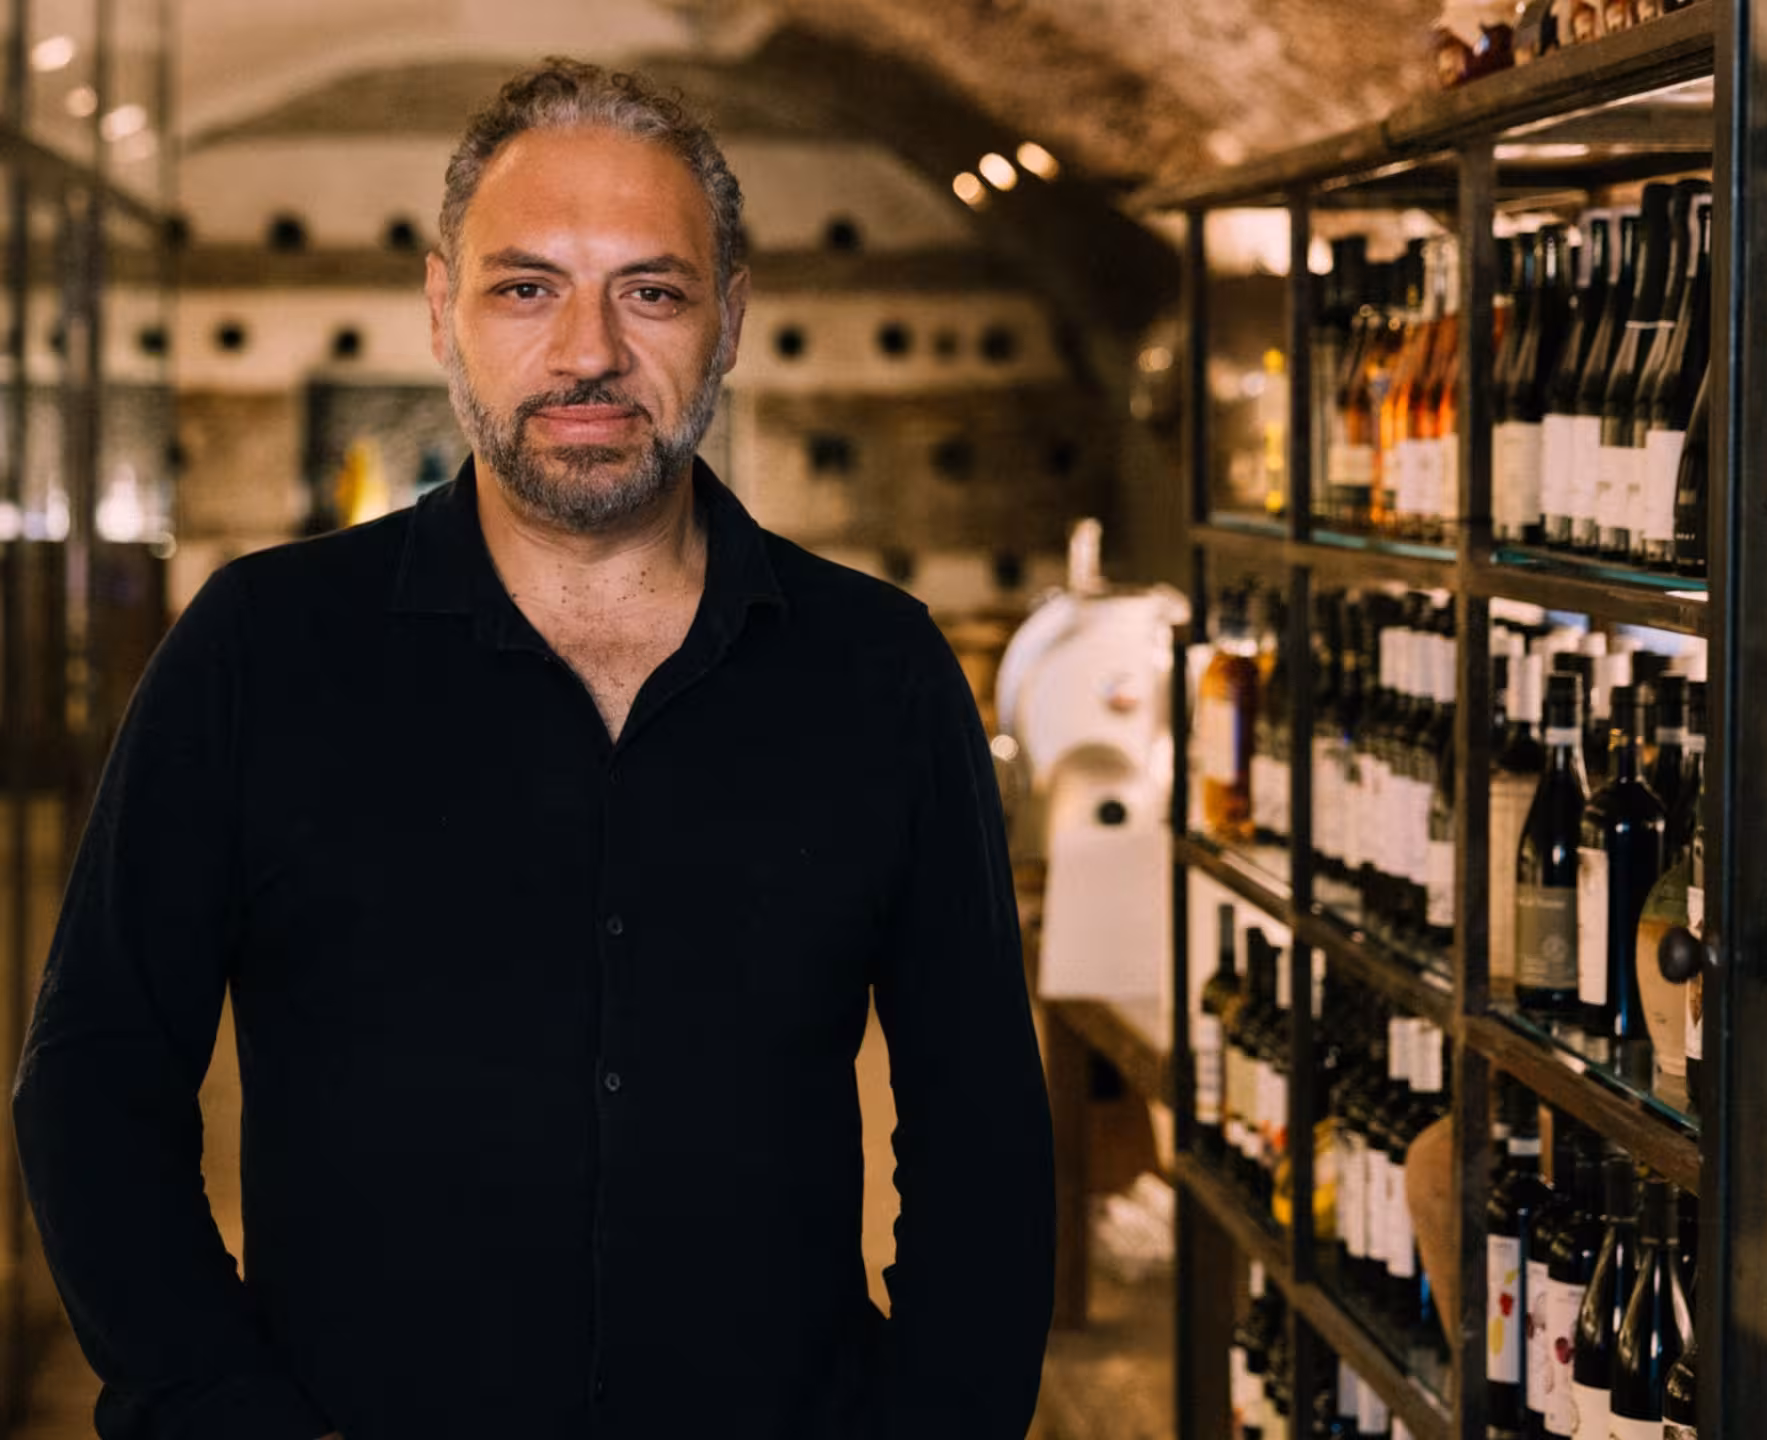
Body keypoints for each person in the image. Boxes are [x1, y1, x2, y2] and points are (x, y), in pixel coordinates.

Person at [13, 59, 1055, 1440]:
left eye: (653, 289)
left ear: (730, 318)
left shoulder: (882, 672)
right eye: (526, 287)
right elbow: (94, 1081)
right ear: (443, 310)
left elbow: (980, 1123)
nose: (587, 353)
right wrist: (219, 1408)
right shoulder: (260, 652)